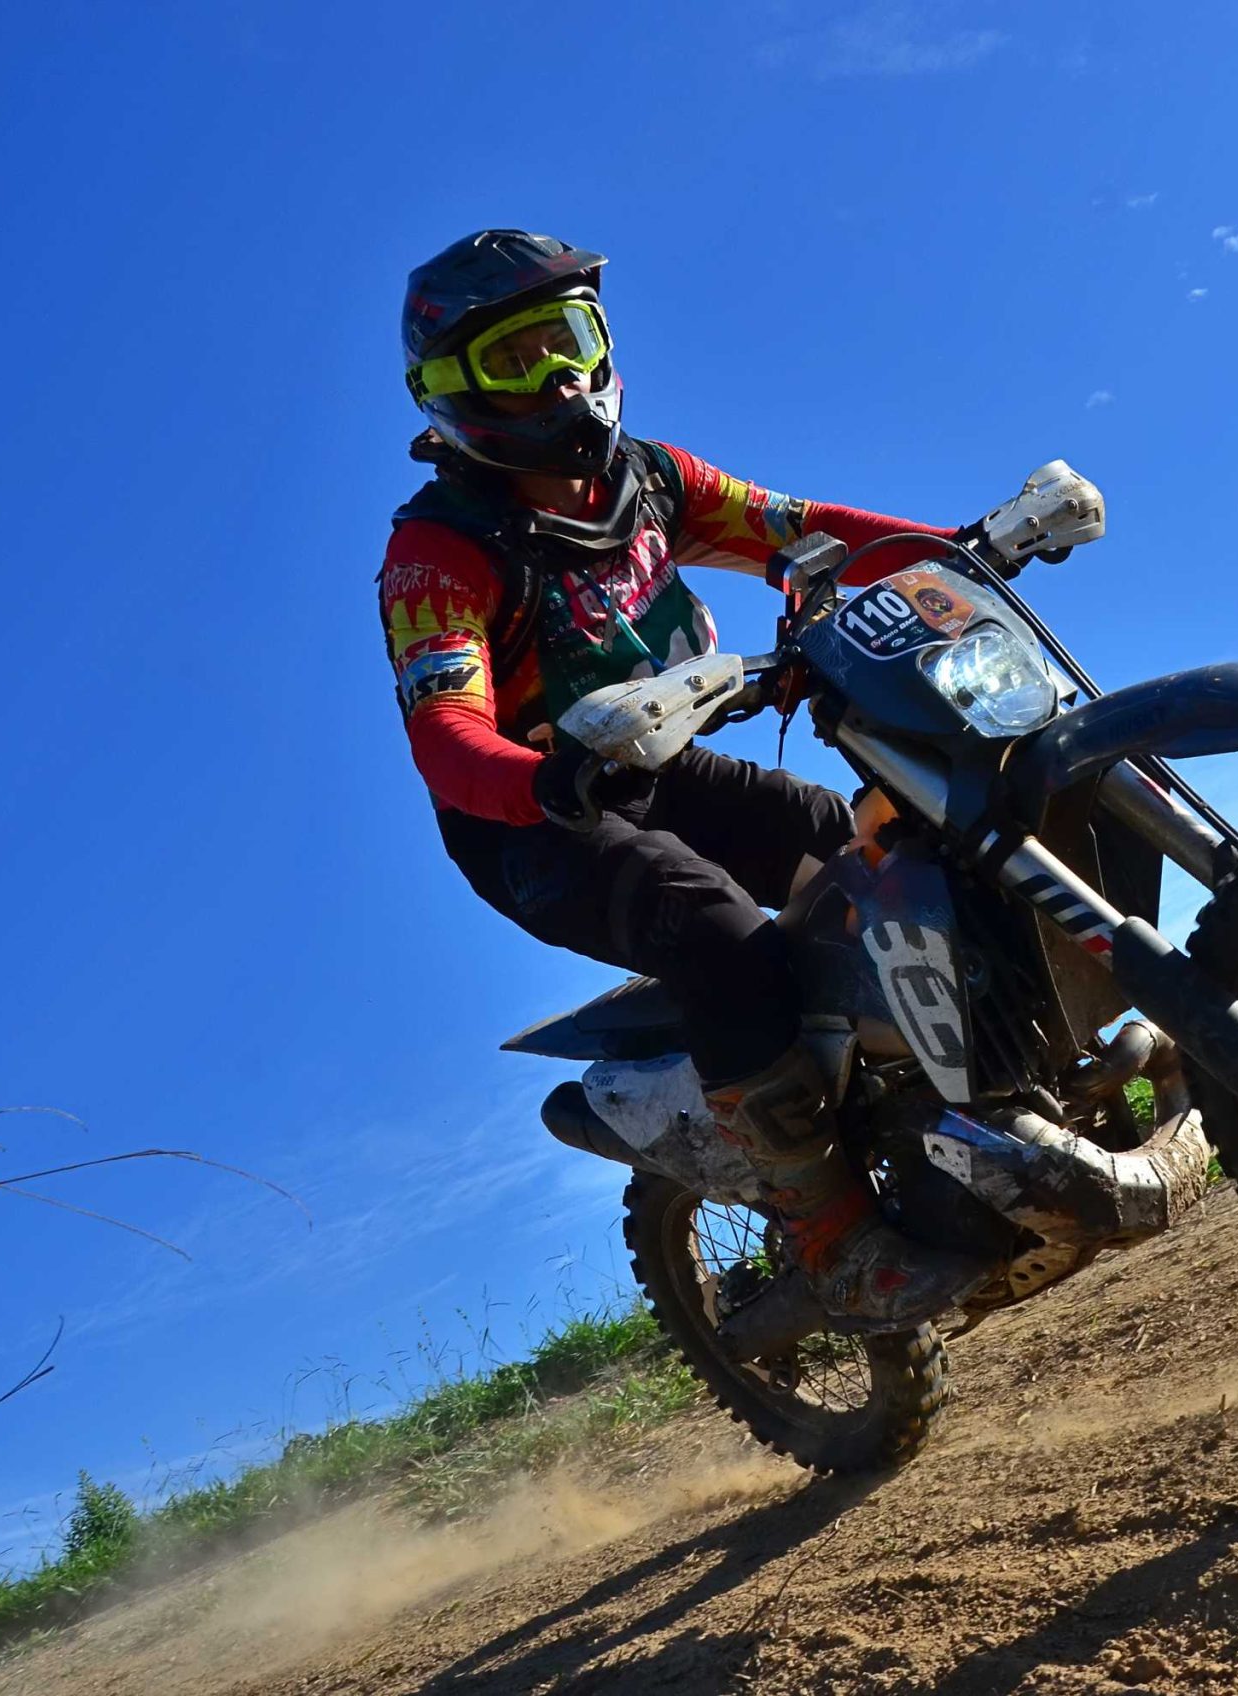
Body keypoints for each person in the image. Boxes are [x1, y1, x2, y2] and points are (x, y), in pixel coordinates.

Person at [380, 229, 992, 1337]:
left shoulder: (652, 480)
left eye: (566, 339)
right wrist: (543, 783)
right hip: (532, 821)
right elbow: (446, 734)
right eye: (514, 360)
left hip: (661, 763)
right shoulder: (440, 552)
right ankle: (835, 1243)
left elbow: (806, 530)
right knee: (718, 931)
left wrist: (954, 549)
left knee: (878, 844)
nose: (557, 378)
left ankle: (958, 1107)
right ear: (454, 393)